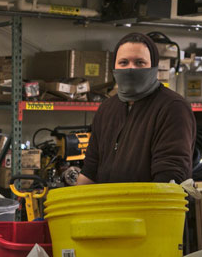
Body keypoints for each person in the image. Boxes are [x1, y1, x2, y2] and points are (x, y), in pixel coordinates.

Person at [77, 32, 196, 185]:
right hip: (109, 206)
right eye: (123, 62)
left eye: (140, 62)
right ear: (114, 67)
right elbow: (89, 171)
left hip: (150, 206)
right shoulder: (107, 108)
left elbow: (170, 176)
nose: (131, 69)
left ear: (154, 67)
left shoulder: (173, 108)